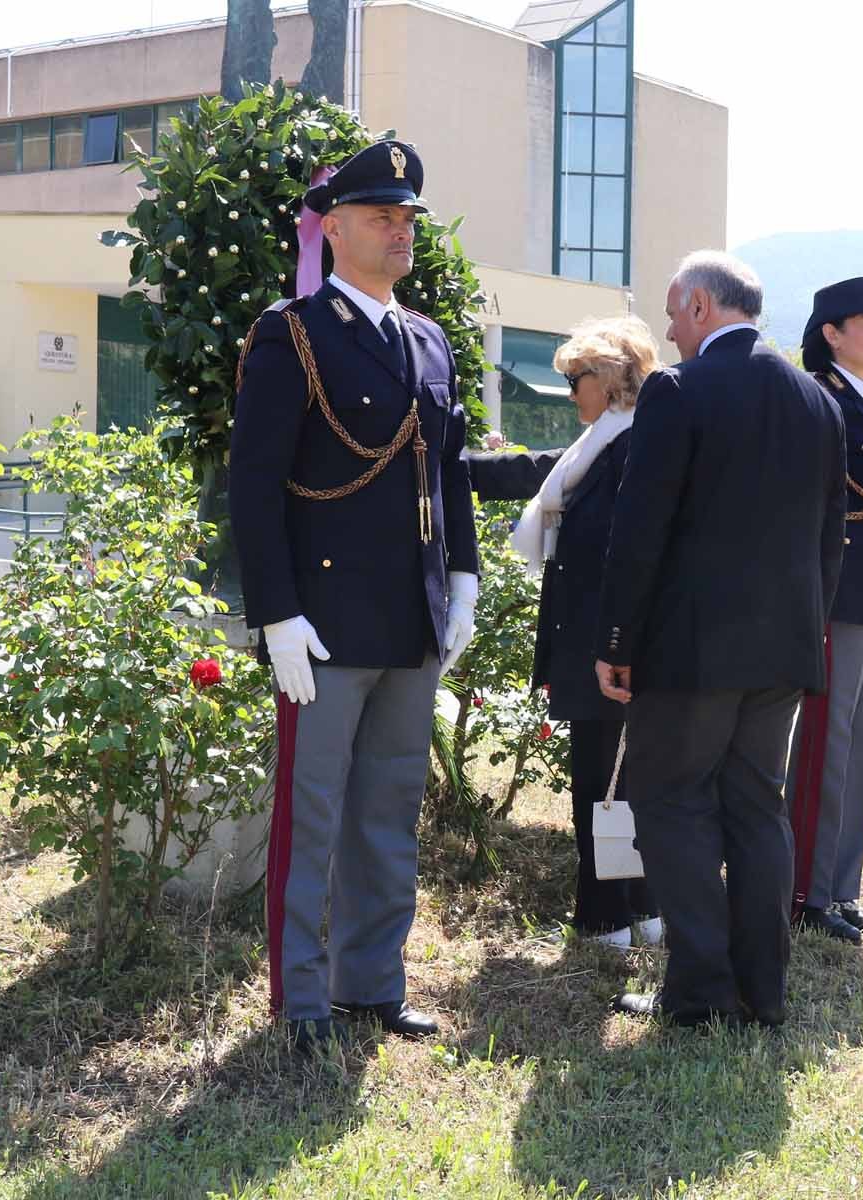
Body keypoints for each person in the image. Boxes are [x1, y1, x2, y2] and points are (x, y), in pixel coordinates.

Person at [228, 140, 478, 1050]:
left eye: (408, 217)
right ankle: (300, 1000)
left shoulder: (428, 339)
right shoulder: (290, 334)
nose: (401, 231)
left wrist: (463, 579)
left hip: (410, 615)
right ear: (332, 229)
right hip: (324, 622)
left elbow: (445, 470)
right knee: (313, 814)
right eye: (382, 216)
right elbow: (254, 487)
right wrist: (276, 614)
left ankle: (373, 982)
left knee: (388, 807)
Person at [595, 251, 846, 1029]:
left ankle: (700, 995)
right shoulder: (817, 398)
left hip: (690, 651)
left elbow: (642, 528)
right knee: (756, 809)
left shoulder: (679, 389)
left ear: (702, 306)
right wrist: (806, 630)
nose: (668, 332)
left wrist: (615, 637)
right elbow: (829, 542)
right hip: (783, 651)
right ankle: (761, 992)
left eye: (673, 313)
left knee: (673, 806)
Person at [462, 316, 663, 949]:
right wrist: (446, 463)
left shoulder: (634, 450)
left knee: (608, 782)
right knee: (616, 779)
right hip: (600, 644)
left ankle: (608, 918)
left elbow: (626, 559)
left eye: (575, 379)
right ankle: (639, 911)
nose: (569, 391)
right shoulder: (600, 446)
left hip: (611, 648)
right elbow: (529, 469)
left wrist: (614, 649)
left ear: (607, 381)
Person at [785, 277, 863, 946]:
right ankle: (805, 889)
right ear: (832, 333)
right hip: (835, 594)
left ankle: (843, 888)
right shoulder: (819, 400)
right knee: (826, 745)